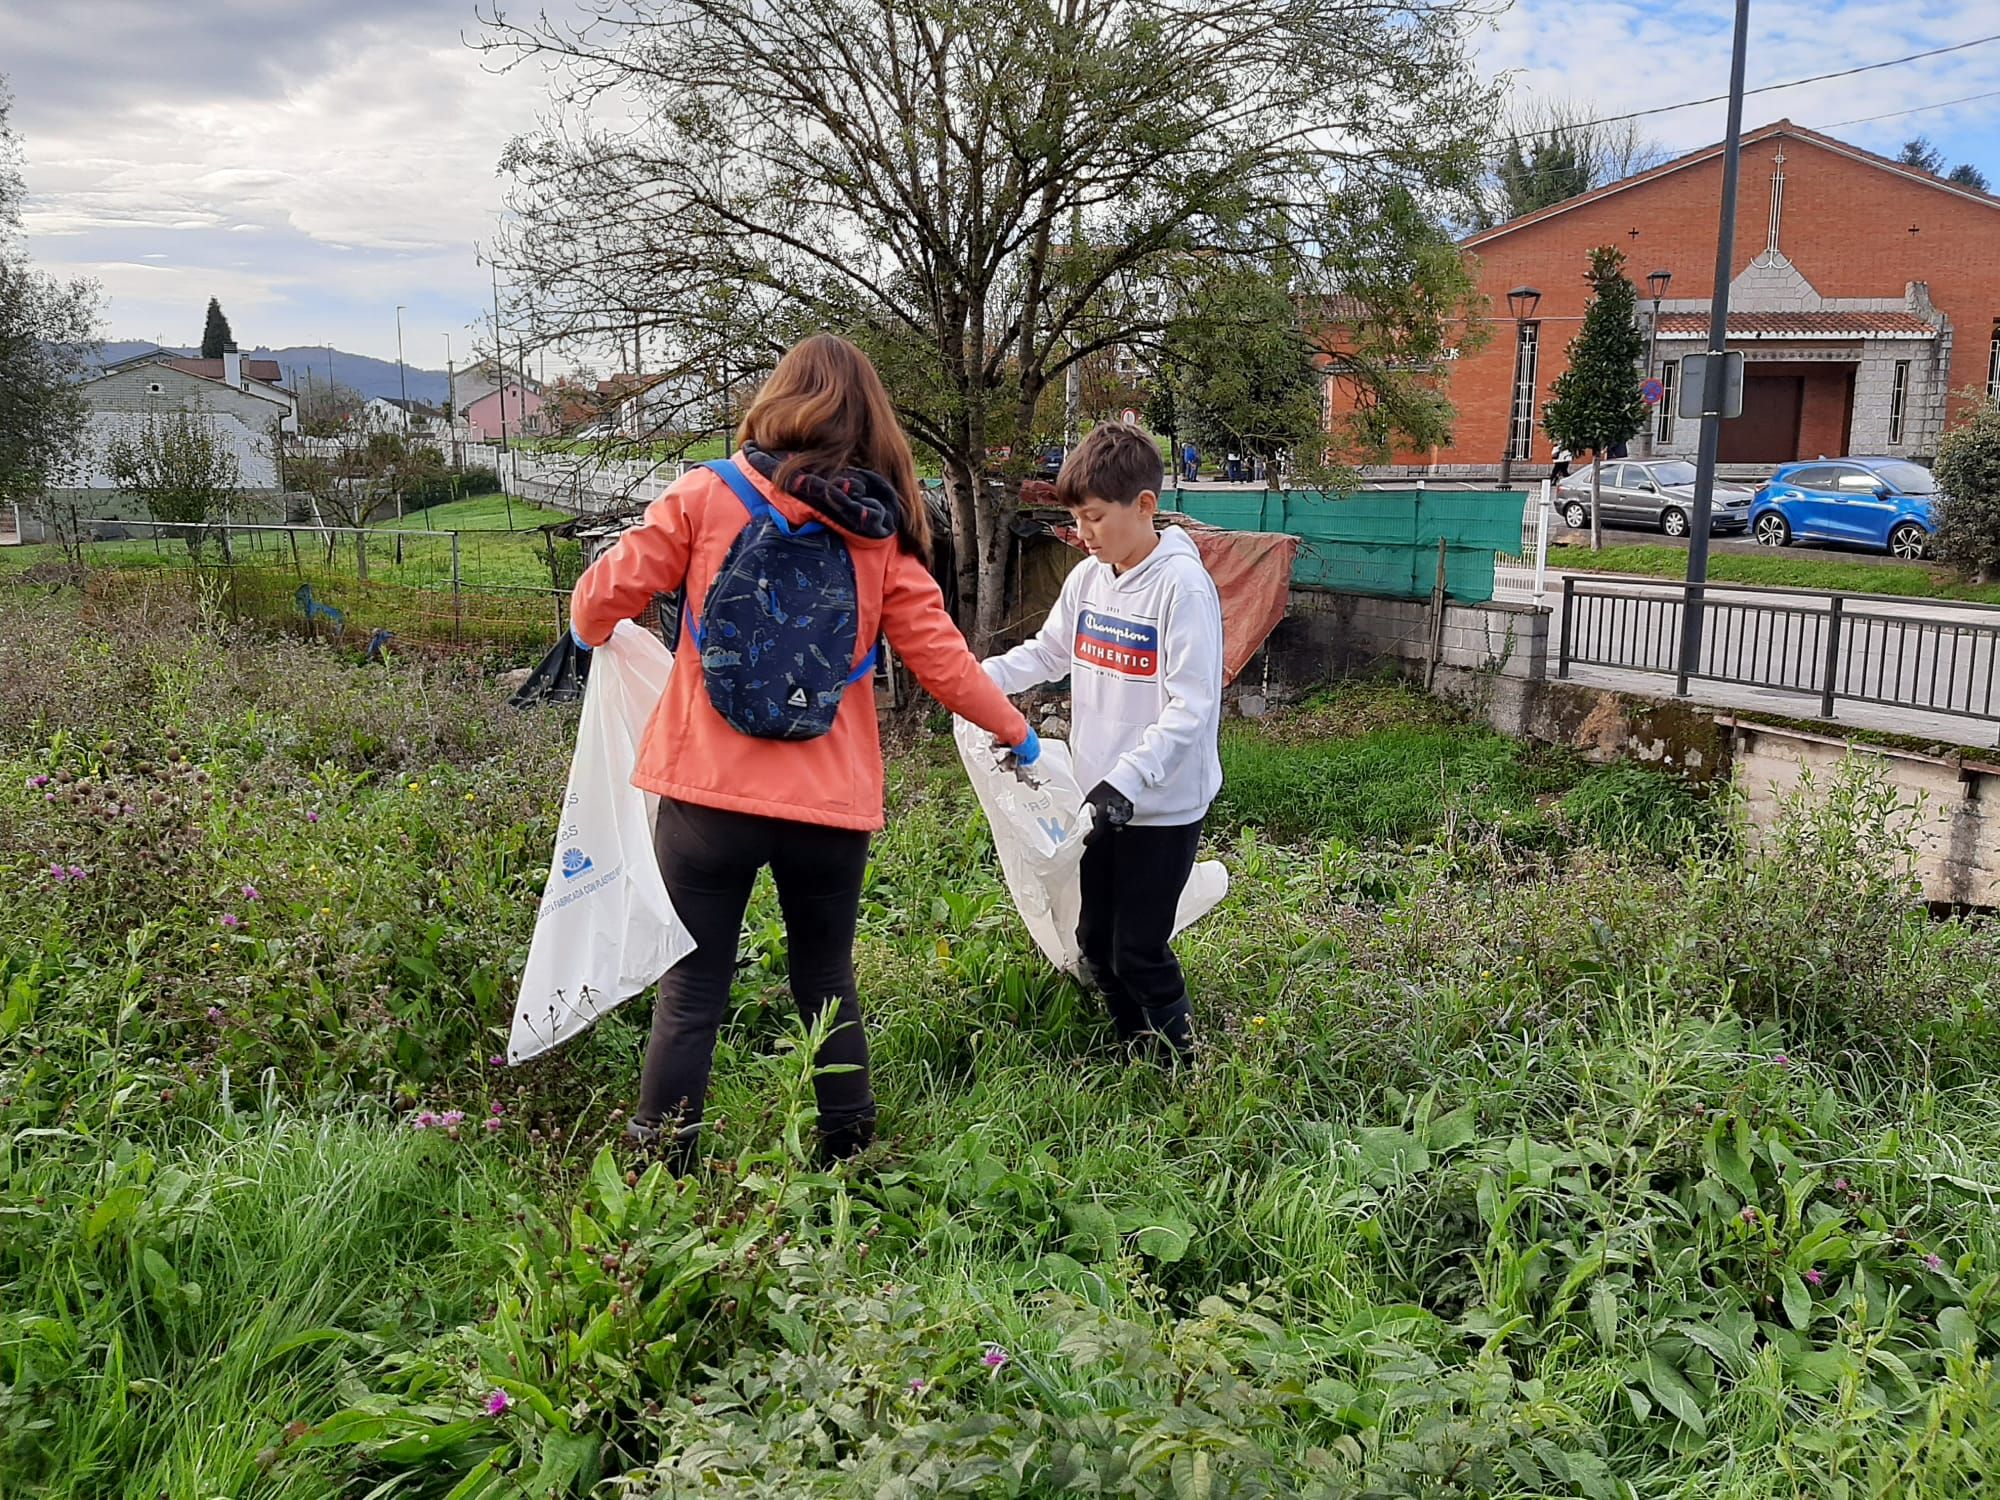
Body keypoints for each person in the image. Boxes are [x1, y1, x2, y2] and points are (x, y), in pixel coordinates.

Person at [569, 333, 1036, 1168]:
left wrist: (593, 631)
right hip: (829, 805)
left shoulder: (703, 496)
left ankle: (659, 1164)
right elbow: (944, 662)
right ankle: (849, 1149)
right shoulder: (880, 531)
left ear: (777, 400)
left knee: (694, 987)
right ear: (871, 423)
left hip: (707, 796)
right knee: (826, 976)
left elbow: (607, 591)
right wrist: (1018, 732)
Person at [982, 422, 1223, 1061]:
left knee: (1139, 946)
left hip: (1160, 805)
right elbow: (1050, 652)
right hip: (1098, 800)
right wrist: (978, 680)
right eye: (1076, 519)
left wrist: (1132, 776)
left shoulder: (1182, 586)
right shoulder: (1090, 579)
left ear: (1144, 506)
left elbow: (1192, 704)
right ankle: (1132, 1048)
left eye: (1093, 518)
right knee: (1093, 938)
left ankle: (1183, 1066)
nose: (1083, 534)